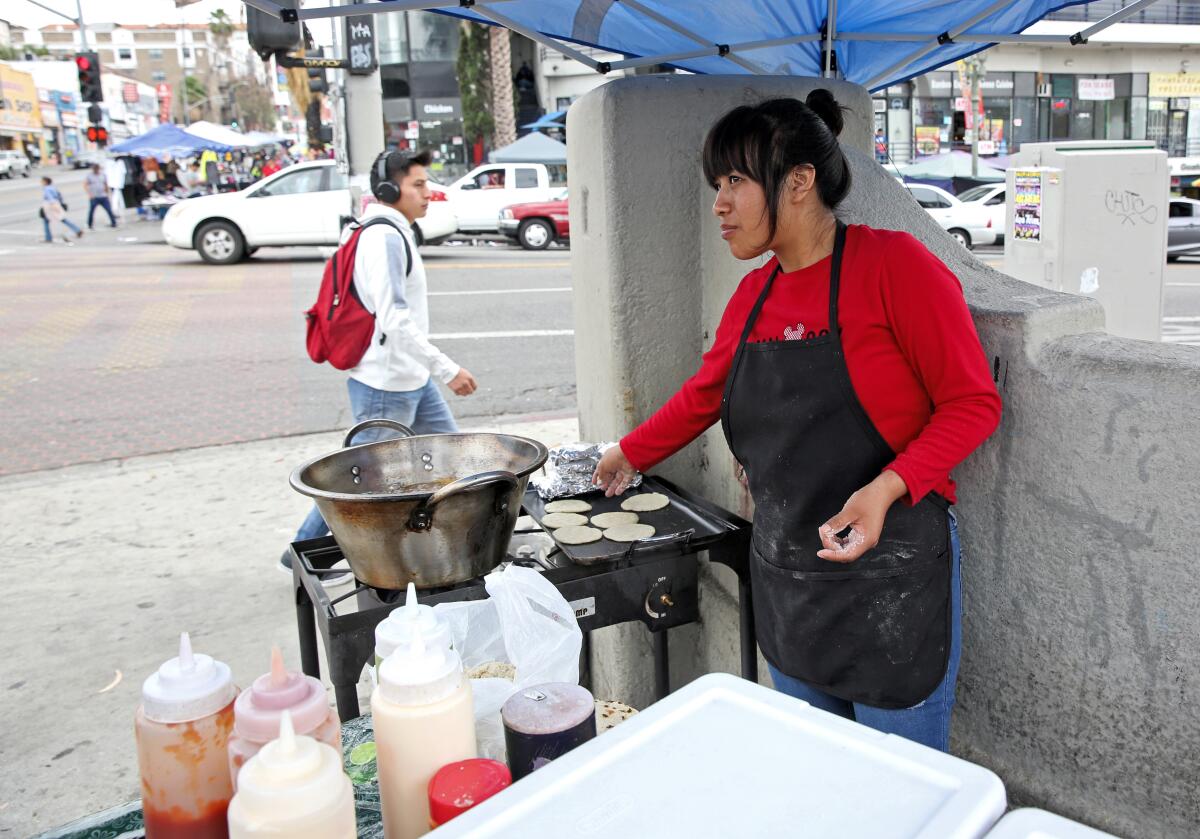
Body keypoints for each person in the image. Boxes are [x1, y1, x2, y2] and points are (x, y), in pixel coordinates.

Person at [592, 93, 1002, 752]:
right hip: (789, 584)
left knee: (898, 800)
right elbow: (705, 394)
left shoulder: (895, 267)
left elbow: (973, 402)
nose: (719, 203)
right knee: (820, 782)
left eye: (735, 181)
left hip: (892, 585)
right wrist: (626, 453)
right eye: (716, 184)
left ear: (800, 181)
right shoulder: (754, 296)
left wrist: (886, 487)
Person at [281, 149, 479, 579]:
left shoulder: (384, 229)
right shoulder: (385, 236)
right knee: (359, 481)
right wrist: (448, 370)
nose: (428, 193)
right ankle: (303, 558)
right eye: (418, 185)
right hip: (387, 383)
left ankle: (457, 542)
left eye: (427, 183)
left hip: (407, 375)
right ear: (391, 189)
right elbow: (394, 317)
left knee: (450, 454)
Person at [40, 176, 82, 243]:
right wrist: (60, 204)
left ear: (45, 182)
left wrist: (54, 206)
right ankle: (77, 229)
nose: (41, 183)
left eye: (42, 181)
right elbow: (60, 196)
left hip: (51, 206)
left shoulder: (46, 189)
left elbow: (50, 198)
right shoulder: (53, 188)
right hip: (57, 204)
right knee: (62, 219)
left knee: (47, 220)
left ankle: (48, 237)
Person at [85, 164, 117, 229]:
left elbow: (106, 184)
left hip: (103, 196)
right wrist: (90, 194)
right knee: (91, 211)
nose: (96, 170)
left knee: (109, 210)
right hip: (94, 197)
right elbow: (85, 184)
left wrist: (107, 193)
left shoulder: (103, 175)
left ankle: (114, 223)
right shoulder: (89, 176)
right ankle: (89, 224)